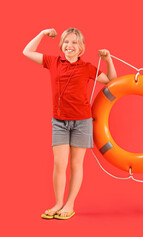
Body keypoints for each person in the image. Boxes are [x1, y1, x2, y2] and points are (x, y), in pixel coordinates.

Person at [23, 27, 117, 220]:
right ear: (61, 45)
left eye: (74, 42)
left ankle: (69, 204)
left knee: (76, 164)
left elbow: (111, 81)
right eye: (66, 42)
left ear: (81, 48)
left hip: (82, 122)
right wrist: (41, 34)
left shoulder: (88, 67)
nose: (70, 46)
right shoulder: (53, 61)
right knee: (59, 164)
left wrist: (108, 59)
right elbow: (27, 51)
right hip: (59, 122)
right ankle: (58, 202)